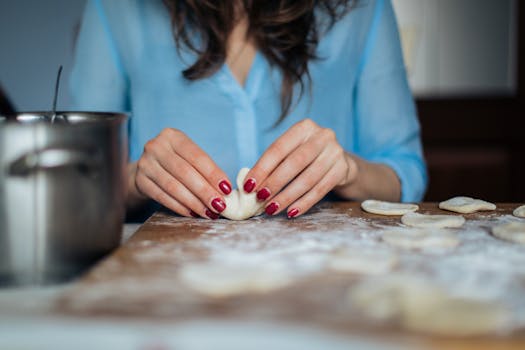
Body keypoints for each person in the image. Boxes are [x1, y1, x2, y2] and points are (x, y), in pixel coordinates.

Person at [70, 0, 427, 221]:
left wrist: (349, 170)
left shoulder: (363, 8)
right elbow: (79, 186)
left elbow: (405, 174)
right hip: (167, 279)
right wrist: (134, 180)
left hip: (326, 275)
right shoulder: (114, 7)